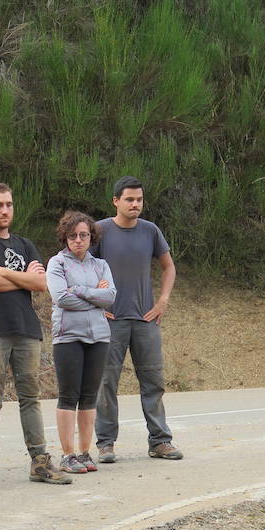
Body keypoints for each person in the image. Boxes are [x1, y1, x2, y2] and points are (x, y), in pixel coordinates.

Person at [0, 182, 69, 489]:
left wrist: (4, 272)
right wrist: (24, 278)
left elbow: (41, 284)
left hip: (25, 329)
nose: (5, 210)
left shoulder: (24, 244)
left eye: (8, 204)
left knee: (30, 397)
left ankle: (40, 461)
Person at [92, 176, 182, 462]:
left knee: (153, 381)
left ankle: (160, 441)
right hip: (111, 320)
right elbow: (80, 266)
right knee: (106, 383)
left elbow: (168, 267)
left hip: (146, 320)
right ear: (115, 201)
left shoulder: (150, 231)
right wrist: (95, 304)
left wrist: (163, 301)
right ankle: (105, 444)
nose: (135, 204)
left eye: (139, 199)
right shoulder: (100, 231)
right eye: (129, 199)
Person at [46, 211, 116, 473]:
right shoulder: (57, 263)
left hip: (99, 336)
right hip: (68, 337)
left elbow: (110, 296)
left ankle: (85, 453)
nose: (78, 240)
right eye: (73, 235)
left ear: (91, 237)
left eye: (83, 235)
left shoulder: (101, 265)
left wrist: (81, 290)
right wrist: (93, 298)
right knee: (68, 395)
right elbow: (61, 298)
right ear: (65, 237)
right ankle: (68, 455)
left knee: (89, 396)